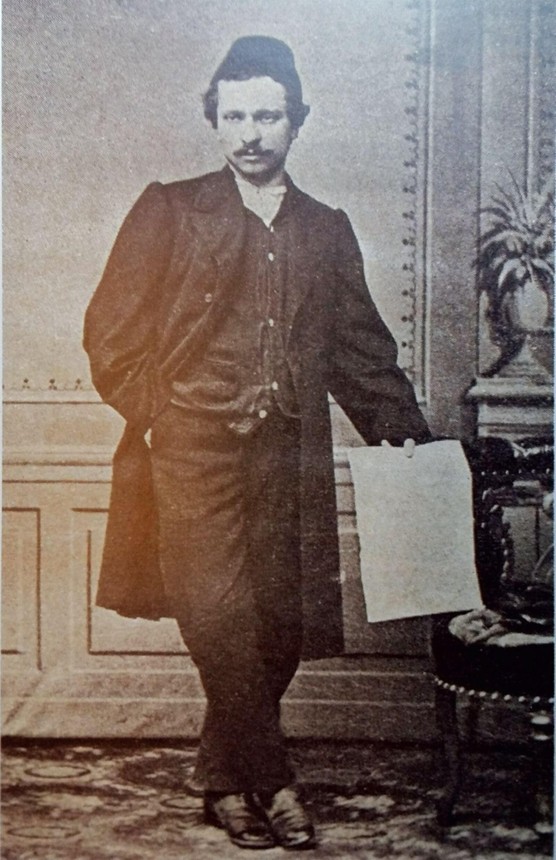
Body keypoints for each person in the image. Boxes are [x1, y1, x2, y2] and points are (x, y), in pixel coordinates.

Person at [84, 35, 431, 851]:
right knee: (218, 614)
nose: (250, 133)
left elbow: (360, 354)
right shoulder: (170, 209)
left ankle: (221, 779)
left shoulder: (326, 228)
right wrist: (159, 415)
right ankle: (273, 782)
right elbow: (110, 332)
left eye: (267, 116)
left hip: (286, 453)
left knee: (277, 625)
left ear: (296, 121)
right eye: (235, 115)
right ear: (215, 120)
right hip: (190, 451)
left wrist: (409, 440)